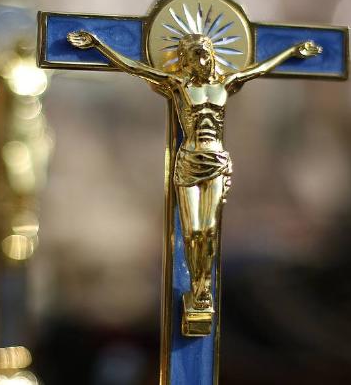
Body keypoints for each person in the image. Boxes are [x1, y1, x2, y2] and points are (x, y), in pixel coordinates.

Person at [67, 29, 321, 313]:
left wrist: (293, 51)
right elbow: (132, 66)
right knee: (192, 231)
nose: (204, 59)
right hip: (189, 160)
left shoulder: (227, 84)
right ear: (186, 59)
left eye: (207, 53)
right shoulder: (178, 85)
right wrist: (98, 44)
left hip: (216, 161)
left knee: (209, 230)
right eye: (197, 54)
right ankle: (195, 285)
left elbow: (261, 67)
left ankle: (202, 287)